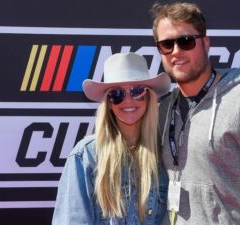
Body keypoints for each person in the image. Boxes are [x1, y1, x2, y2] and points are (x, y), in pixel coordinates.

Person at [150, 2, 240, 225]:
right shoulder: (165, 109)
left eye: (186, 41)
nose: (176, 51)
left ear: (205, 43)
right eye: (167, 44)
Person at [52, 52, 171, 225]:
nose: (128, 101)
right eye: (117, 94)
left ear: (148, 97)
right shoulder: (86, 154)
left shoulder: (166, 152)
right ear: (108, 102)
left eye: (137, 91)